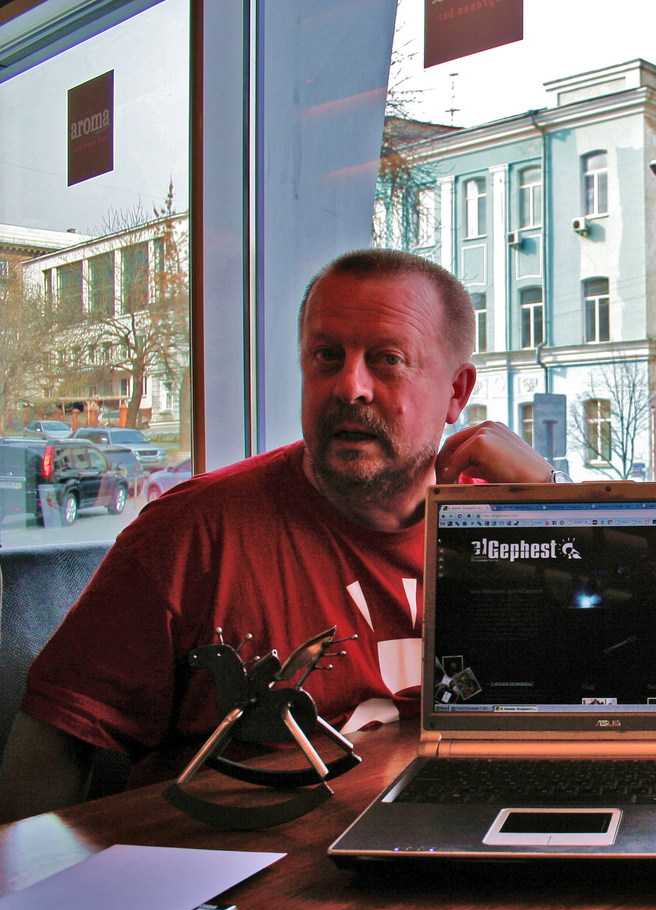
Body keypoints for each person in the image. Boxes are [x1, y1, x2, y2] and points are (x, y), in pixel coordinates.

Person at [0, 249, 554, 822]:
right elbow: (55, 744)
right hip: (239, 858)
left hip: (453, 840)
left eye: (388, 359)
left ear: (457, 393)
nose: (350, 387)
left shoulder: (508, 522)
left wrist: (557, 505)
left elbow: (603, 703)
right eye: (326, 356)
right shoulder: (190, 533)